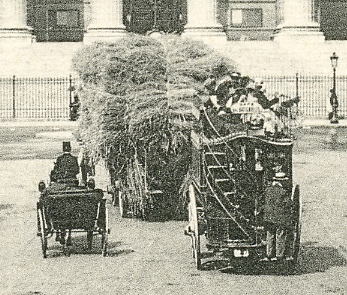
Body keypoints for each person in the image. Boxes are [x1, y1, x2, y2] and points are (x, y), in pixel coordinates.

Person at [263, 172, 293, 260]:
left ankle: (269, 254)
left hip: (268, 218)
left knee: (270, 235)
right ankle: (279, 255)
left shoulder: (268, 190)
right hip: (279, 218)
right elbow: (289, 204)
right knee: (280, 235)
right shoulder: (283, 192)